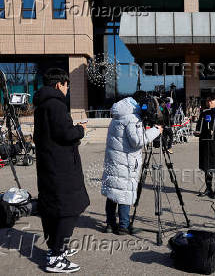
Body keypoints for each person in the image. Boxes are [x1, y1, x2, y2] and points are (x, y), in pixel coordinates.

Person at [33, 68, 89, 273]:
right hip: (61, 168)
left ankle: (55, 249)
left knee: (53, 209)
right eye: (67, 85)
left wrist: (71, 129)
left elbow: (54, 133)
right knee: (68, 209)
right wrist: (80, 129)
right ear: (59, 85)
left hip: (49, 165)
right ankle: (56, 256)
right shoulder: (56, 105)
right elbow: (65, 134)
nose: (67, 89)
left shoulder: (42, 105)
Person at [101, 91, 163, 235]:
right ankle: (123, 226)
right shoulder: (132, 118)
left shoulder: (119, 113)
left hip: (114, 159)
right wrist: (156, 131)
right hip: (126, 162)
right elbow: (137, 141)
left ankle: (110, 225)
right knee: (125, 192)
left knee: (113, 192)